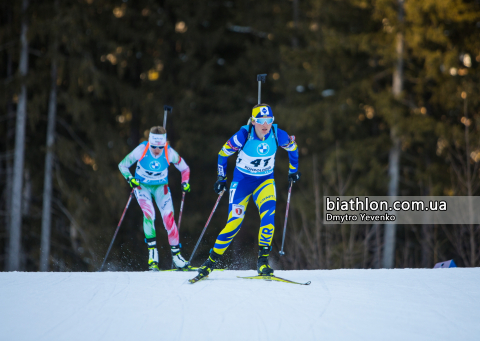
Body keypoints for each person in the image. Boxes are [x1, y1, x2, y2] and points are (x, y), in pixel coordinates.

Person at [196, 104, 300, 279]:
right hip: (242, 183)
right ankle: (210, 263)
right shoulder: (243, 136)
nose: (265, 125)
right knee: (234, 224)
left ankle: (263, 262)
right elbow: (223, 154)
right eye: (261, 121)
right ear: (253, 122)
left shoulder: (277, 134)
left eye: (269, 120)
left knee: (268, 217)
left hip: (264, 182)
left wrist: (293, 170)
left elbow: (293, 148)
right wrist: (221, 179)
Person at [118, 126, 191, 271]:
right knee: (149, 214)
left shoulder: (169, 152)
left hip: (160, 187)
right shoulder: (141, 150)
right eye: (153, 146)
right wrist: (130, 179)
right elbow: (123, 165)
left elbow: (185, 168)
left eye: (160, 146)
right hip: (142, 186)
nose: (157, 150)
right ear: (149, 142)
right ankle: (153, 256)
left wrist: (185, 182)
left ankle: (177, 257)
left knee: (168, 218)